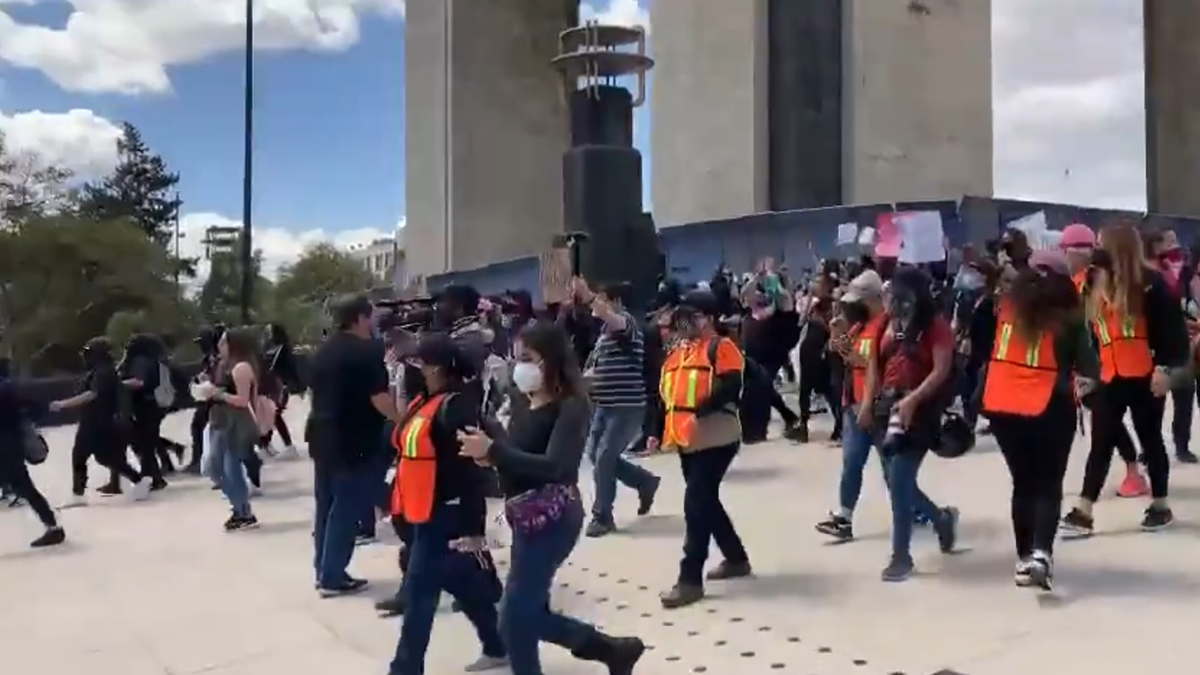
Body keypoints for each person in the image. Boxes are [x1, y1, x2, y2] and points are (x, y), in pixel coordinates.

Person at [458, 321, 645, 675]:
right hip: (522, 514)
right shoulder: (519, 400)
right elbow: (516, 455)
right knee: (527, 613)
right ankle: (613, 651)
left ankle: (610, 650)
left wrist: (495, 452)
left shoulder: (570, 406)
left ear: (551, 360)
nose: (520, 367)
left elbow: (555, 466)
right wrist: (488, 454)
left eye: (528, 358)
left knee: (514, 618)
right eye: (517, 358)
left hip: (554, 517)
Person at [385, 333, 506, 675]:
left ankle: (405, 668)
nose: (414, 367)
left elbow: (471, 467)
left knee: (419, 596)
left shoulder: (456, 405)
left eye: (419, 362)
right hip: (421, 511)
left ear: (435, 367)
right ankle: (498, 644)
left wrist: (473, 524)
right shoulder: (423, 401)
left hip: (445, 515)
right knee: (463, 584)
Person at [980, 250, 1098, 590]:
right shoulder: (1070, 317)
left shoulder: (1003, 307)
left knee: (1023, 482)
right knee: (1048, 483)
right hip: (1050, 405)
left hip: (1002, 405)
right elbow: (1089, 368)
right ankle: (1041, 554)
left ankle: (1023, 558)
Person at [1061, 223, 1187, 536]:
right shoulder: (1094, 283)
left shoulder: (1150, 284)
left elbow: (1172, 331)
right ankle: (1084, 510)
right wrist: (1088, 373)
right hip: (1110, 375)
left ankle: (1160, 504)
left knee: (1150, 438)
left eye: (1102, 243)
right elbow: (1092, 335)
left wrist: (1164, 368)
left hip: (1145, 373)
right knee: (1101, 442)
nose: (1096, 249)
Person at [657, 290, 752, 609]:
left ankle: (690, 580)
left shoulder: (722, 347)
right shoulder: (680, 350)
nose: (684, 322)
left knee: (696, 505)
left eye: (692, 316)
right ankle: (736, 558)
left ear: (709, 319)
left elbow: (731, 386)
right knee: (706, 501)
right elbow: (667, 392)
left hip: (717, 438)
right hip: (687, 440)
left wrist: (700, 411)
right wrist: (657, 430)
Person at [866, 266, 959, 582]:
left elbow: (941, 370)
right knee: (897, 483)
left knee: (901, 479)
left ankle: (901, 556)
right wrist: (867, 403)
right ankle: (940, 518)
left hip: (920, 412)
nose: (894, 301)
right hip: (885, 409)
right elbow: (873, 364)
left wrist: (913, 400)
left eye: (901, 295)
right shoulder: (885, 323)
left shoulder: (936, 327)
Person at [307, 294, 400, 595]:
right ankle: (333, 576)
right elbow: (379, 397)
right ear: (360, 317)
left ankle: (323, 569)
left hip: (321, 435)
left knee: (326, 506)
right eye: (370, 316)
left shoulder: (324, 351)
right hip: (354, 439)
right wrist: (402, 420)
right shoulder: (366, 351)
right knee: (347, 508)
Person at [1060, 224, 1149, 496]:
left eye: (1066, 250)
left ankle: (1133, 472)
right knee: (1106, 422)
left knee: (1108, 423)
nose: (1064, 256)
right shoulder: (1080, 281)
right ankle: (1131, 472)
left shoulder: (1093, 282)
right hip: (1095, 365)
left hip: (1105, 366)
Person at [571, 278, 661, 538]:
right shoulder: (604, 335)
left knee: (604, 458)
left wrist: (588, 296)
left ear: (616, 302)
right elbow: (597, 368)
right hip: (604, 405)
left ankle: (602, 516)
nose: (597, 306)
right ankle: (644, 481)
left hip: (626, 406)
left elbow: (610, 317)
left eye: (603, 299)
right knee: (596, 455)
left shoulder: (627, 324)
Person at [815, 270, 887, 541]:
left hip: (880, 407)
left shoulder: (887, 327)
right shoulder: (859, 326)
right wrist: (837, 338)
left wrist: (859, 360)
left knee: (893, 471)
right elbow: (841, 351)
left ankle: (928, 513)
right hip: (853, 404)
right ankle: (843, 517)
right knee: (851, 462)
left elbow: (885, 366)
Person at [50, 337, 151, 507]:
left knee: (82, 456)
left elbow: (91, 394)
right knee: (105, 458)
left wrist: (63, 404)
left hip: (97, 423)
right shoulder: (101, 371)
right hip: (97, 422)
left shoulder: (104, 372)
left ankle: (78, 494)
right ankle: (139, 480)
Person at [197, 327, 263, 531]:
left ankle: (242, 511)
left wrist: (216, 393)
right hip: (220, 420)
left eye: (224, 342)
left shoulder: (241, 367)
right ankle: (239, 507)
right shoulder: (224, 365)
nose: (220, 346)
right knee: (215, 466)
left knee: (231, 468)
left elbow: (242, 400)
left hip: (236, 423)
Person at [0, 358, 65, 547]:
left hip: (6, 447)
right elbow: (35, 406)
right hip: (11, 444)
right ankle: (53, 525)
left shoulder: (4, 389)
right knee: (24, 487)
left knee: (24, 487)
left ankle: (53, 526)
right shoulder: (10, 388)